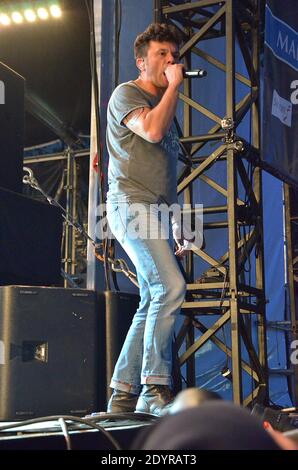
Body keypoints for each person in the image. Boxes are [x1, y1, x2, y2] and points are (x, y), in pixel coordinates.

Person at [105, 23, 194, 416]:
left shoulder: (166, 107)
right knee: (171, 287)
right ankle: (153, 388)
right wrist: (174, 86)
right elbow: (153, 133)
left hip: (154, 210)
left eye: (174, 55)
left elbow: (166, 171)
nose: (171, 60)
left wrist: (175, 220)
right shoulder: (128, 94)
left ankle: (122, 395)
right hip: (129, 204)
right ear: (142, 62)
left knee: (152, 298)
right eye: (162, 54)